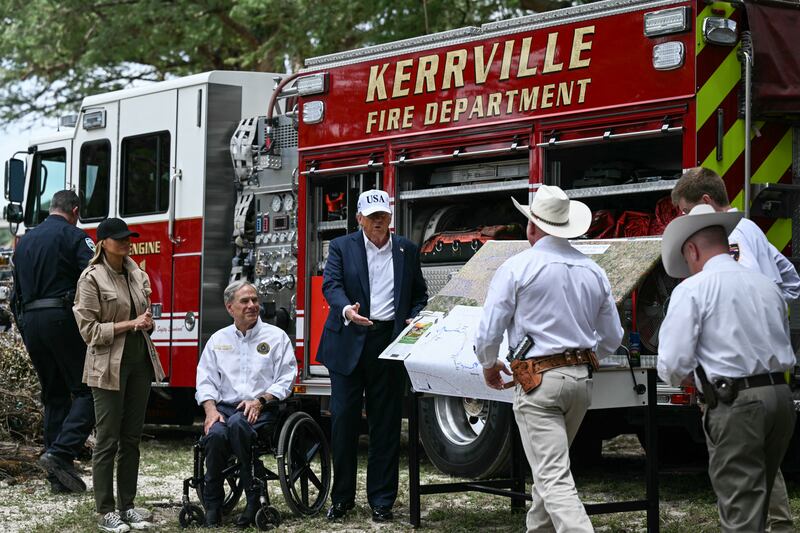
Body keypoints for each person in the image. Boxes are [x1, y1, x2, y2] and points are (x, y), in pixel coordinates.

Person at [475, 185, 623, 533]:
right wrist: (585, 358)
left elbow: (489, 330)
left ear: (531, 226)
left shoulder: (518, 267)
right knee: (548, 474)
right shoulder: (593, 271)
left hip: (539, 383)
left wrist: (488, 362)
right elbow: (613, 337)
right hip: (580, 382)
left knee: (553, 477)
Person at [671, 166, 799, 532]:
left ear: (706, 203)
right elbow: (788, 281)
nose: (684, 220)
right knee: (758, 470)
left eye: (685, 211)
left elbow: (723, 303)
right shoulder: (753, 229)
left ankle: (777, 524)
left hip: (735, 387)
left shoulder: (723, 239)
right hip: (774, 382)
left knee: (742, 492)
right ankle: (779, 524)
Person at [317, 189, 428, 522]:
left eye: (385, 216)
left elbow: (419, 295)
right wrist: (345, 309)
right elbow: (331, 285)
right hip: (349, 338)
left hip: (387, 341)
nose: (380, 221)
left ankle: (382, 501)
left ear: (391, 217)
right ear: (360, 219)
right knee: (345, 422)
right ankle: (341, 499)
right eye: (374, 216)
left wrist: (414, 315)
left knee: (386, 424)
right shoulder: (341, 247)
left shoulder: (406, 249)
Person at [73, 218, 166, 533]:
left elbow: (146, 316)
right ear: (103, 243)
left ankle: (127, 505)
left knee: (132, 438)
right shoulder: (91, 279)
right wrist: (131, 324)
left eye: (129, 237)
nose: (127, 242)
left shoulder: (137, 273)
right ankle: (105, 511)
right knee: (107, 439)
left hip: (140, 362)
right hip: (107, 366)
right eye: (120, 238)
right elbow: (89, 331)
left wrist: (147, 322)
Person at [11, 190, 95, 494]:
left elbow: (14, 294)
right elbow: (92, 276)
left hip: (31, 322)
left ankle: (57, 479)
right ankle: (60, 454)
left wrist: (24, 326)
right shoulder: (74, 236)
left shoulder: (24, 242)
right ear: (74, 210)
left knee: (54, 395)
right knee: (89, 390)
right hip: (61, 317)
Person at [195, 280, 297, 528]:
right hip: (224, 409)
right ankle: (213, 505)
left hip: (263, 408)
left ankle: (254, 500)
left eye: (255, 300)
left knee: (239, 426)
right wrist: (210, 411)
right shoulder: (218, 340)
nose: (252, 305)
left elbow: (287, 378)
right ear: (230, 307)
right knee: (217, 435)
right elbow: (205, 379)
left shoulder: (276, 337)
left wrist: (261, 400)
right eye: (245, 301)